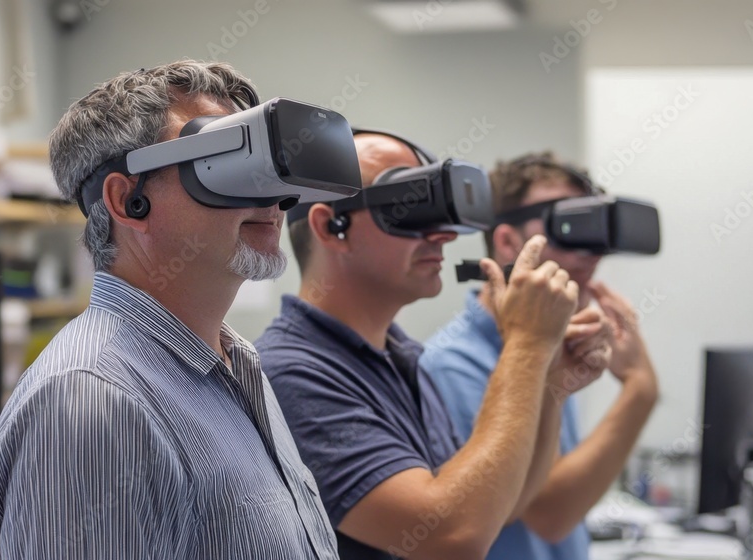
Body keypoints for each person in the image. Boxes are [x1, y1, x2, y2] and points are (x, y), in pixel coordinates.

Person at [0, 60, 339, 559]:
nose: (274, 195)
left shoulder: (237, 367)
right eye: (230, 161)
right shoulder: (92, 403)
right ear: (128, 200)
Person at [256, 132, 610, 559]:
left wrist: (550, 383)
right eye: (408, 207)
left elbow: (509, 505)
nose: (442, 236)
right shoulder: (292, 373)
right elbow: (452, 537)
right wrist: (528, 344)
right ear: (330, 227)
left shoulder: (402, 359)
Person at [421, 152, 660, 560]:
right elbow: (547, 515)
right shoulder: (451, 365)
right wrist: (640, 388)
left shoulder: (550, 347)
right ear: (508, 243)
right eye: (569, 226)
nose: (590, 254)